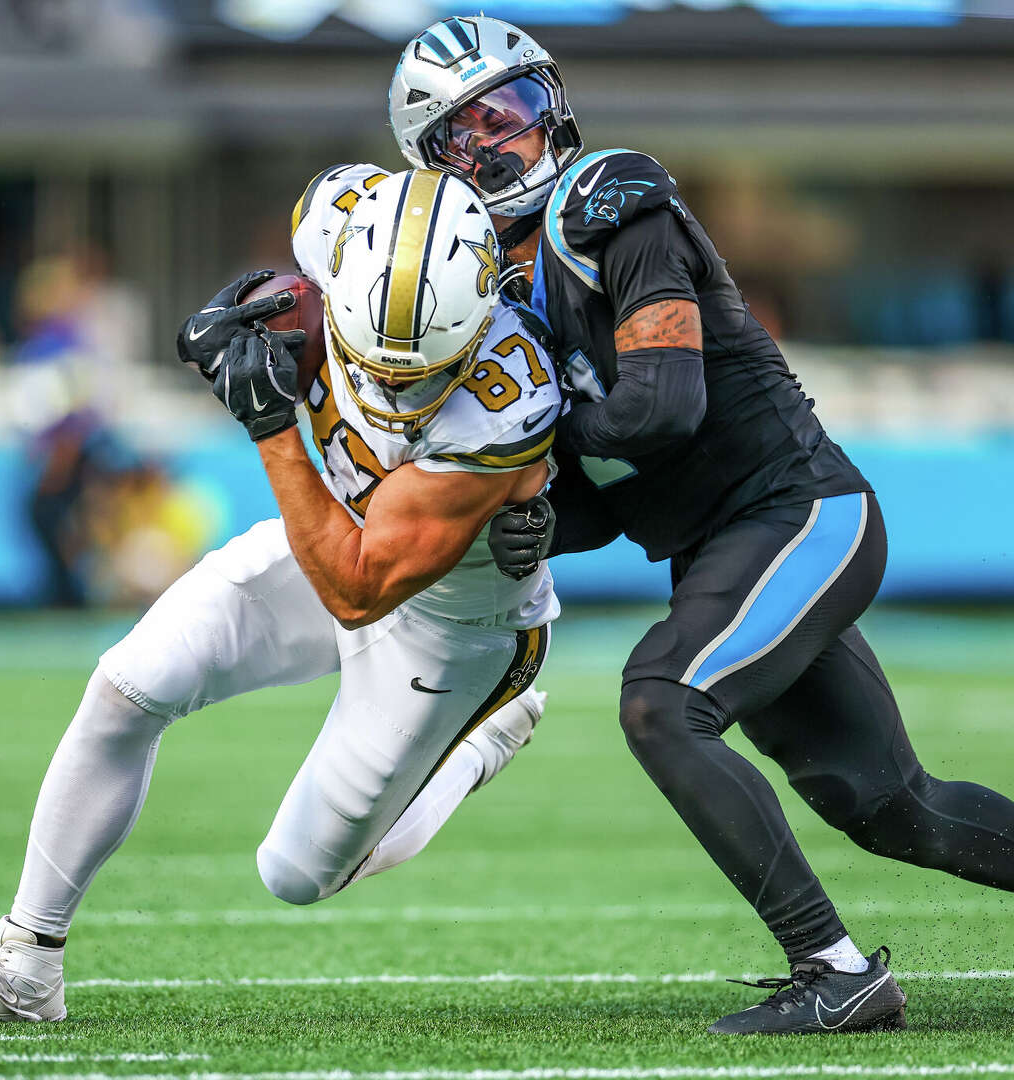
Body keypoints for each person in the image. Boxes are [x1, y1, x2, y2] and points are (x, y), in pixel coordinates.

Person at [388, 16, 1014, 1034]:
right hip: (723, 546)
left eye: (518, 110)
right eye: (474, 130)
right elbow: (609, 490)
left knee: (661, 702)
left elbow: (661, 408)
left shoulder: (611, 203)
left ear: (555, 106)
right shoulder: (496, 304)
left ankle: (836, 971)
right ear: (435, 165)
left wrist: (523, 462)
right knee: (899, 808)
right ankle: (838, 968)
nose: (507, 140)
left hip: (799, 510)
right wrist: (537, 520)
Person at [0, 168, 560, 1024]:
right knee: (125, 689)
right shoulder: (334, 219)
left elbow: (357, 586)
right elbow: (285, 306)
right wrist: (247, 319)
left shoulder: (507, 400)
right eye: (369, 358)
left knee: (296, 874)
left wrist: (270, 424)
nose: (392, 388)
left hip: (448, 621)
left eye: (423, 373)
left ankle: (480, 738)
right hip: (336, 534)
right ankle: (23, 967)